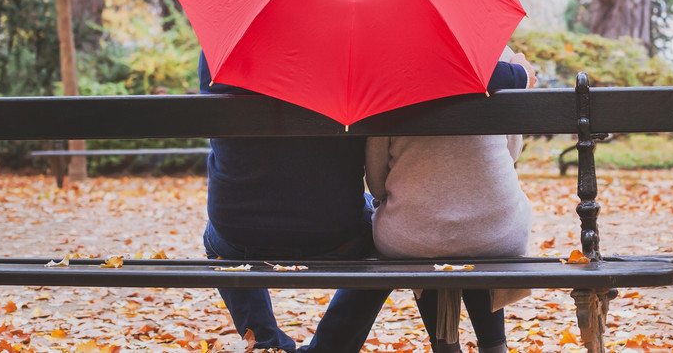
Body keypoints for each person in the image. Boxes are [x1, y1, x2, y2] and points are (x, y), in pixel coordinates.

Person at [199, 51, 536, 352]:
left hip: (239, 231)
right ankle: (330, 348)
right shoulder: (348, 48)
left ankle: (264, 342)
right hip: (333, 233)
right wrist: (517, 74)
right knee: (380, 243)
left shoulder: (220, 49)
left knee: (215, 238)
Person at [364, 47, 537, 353]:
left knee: (424, 227)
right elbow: (511, 154)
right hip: (497, 236)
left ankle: (444, 346)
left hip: (412, 239)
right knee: (482, 223)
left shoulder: (386, 70)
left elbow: (376, 184)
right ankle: (494, 345)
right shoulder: (495, 59)